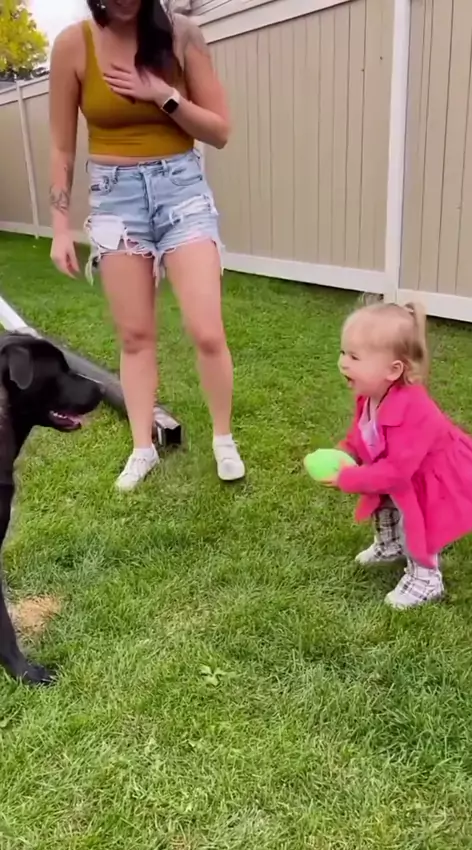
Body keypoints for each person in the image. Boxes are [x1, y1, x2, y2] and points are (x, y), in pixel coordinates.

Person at [48, 0, 245, 491]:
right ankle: (143, 447)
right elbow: (61, 146)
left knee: (207, 329)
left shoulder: (182, 34)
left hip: (181, 191)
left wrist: (163, 95)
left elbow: (219, 132)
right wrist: (59, 226)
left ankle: (224, 439)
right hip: (115, 199)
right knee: (135, 335)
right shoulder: (73, 45)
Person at [326, 301, 472, 609]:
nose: (343, 363)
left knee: (419, 521)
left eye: (354, 357)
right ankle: (390, 544)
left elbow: (396, 472)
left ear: (393, 370)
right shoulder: (370, 397)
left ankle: (426, 578)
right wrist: (345, 452)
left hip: (431, 476)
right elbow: (361, 436)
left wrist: (348, 478)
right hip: (401, 471)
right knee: (384, 501)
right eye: (343, 352)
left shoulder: (415, 409)